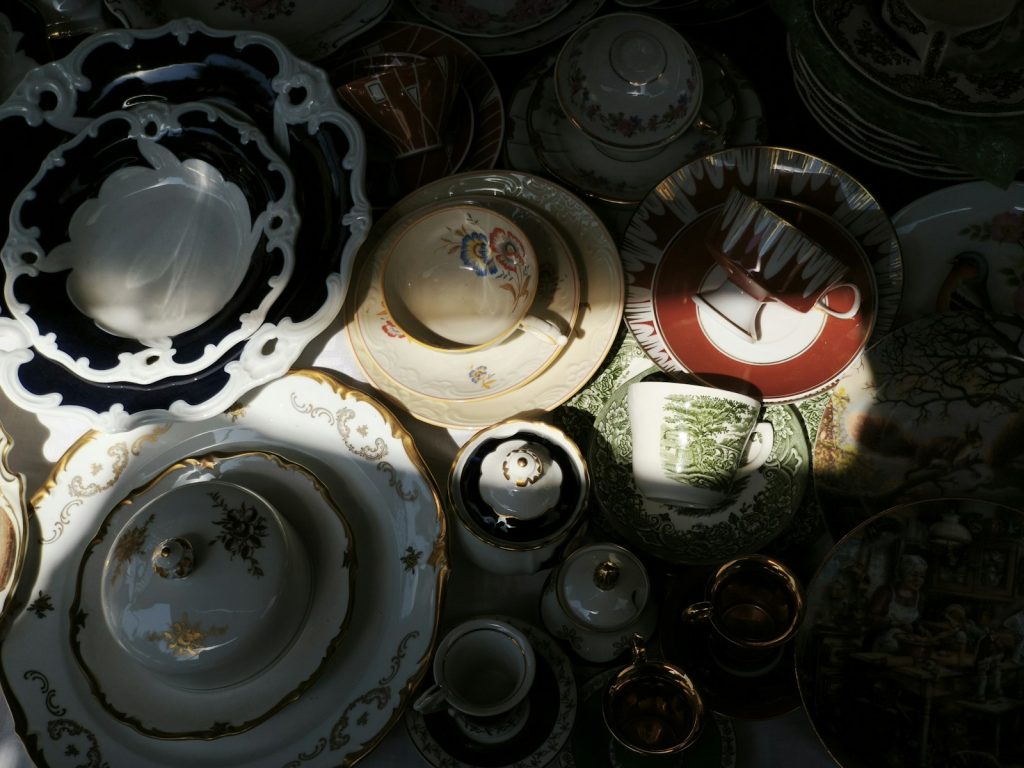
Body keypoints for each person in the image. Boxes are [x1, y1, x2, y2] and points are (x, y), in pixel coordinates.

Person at [865, 554, 929, 654]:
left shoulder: (919, 597)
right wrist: (895, 624)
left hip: (905, 641)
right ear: (903, 574)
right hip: (880, 642)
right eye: (913, 575)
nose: (918, 580)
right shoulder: (886, 592)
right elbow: (871, 618)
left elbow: (915, 622)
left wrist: (921, 629)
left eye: (922, 576)